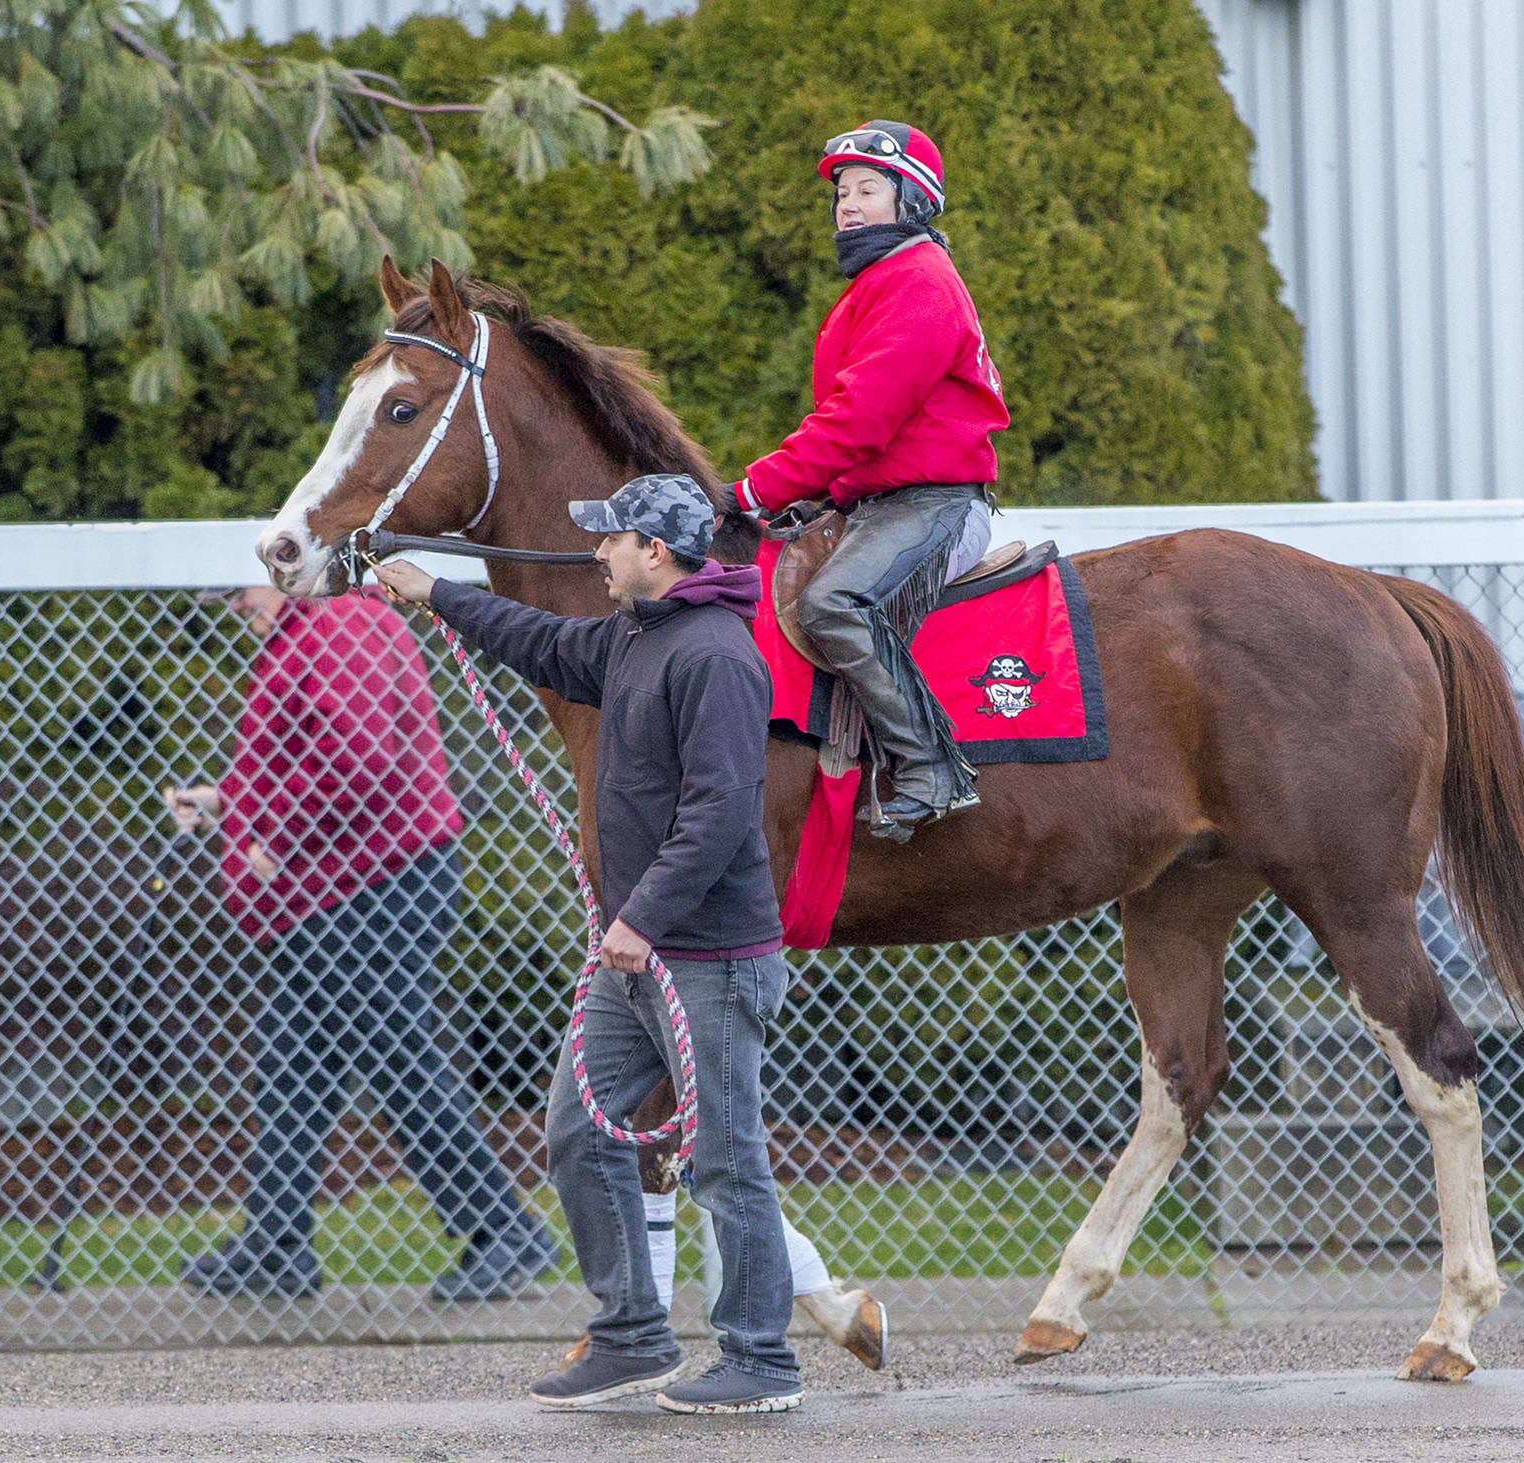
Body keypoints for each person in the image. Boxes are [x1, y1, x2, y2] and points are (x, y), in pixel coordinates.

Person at [375, 473, 803, 1415]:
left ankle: (762, 1358)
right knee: (577, 1129)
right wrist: (436, 591)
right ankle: (632, 1335)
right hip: (641, 957)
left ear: (657, 552)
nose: (596, 552)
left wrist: (638, 917)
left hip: (708, 957)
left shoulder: (718, 656)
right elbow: (547, 644)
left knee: (726, 1158)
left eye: (612, 539)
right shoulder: (630, 637)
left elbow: (723, 811)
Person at [168, 584, 558, 1303]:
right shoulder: (312, 633)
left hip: (378, 886)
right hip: (349, 886)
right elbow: (304, 757)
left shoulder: (339, 625)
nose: (231, 607)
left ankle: (507, 1231)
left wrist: (270, 836)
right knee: (292, 1057)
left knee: (395, 1056)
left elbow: (357, 758)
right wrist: (228, 800)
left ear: (291, 569)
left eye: (234, 590)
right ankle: (277, 1243)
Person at [730, 120, 1010, 842]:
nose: (847, 205)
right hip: (884, 503)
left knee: (831, 600)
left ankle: (930, 768)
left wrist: (752, 491)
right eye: (840, 194)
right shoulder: (883, 282)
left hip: (934, 505)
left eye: (867, 189)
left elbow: (858, 422)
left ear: (911, 200)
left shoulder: (919, 282)